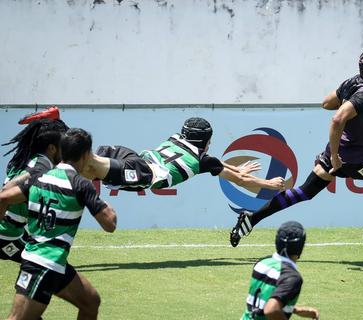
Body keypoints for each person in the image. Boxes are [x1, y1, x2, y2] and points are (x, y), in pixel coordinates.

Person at [230, 49, 363, 247]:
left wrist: (346, 102)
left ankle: (251, 218)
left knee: (306, 191)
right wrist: (335, 156)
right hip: (355, 160)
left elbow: (326, 103)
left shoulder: (352, 83)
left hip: (337, 154)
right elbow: (337, 118)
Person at [0, 128, 117, 320]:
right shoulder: (80, 184)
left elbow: (3, 197)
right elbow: (110, 224)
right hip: (41, 264)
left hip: (56, 264)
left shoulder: (39, 178)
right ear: (87, 155)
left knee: (90, 301)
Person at [80, 117, 285, 192]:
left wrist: (234, 167)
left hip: (135, 159)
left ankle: (60, 157)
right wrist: (269, 184)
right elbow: (240, 180)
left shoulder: (176, 138)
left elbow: (215, 163)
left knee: (95, 155)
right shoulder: (202, 160)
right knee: (89, 165)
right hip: (144, 175)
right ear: (206, 141)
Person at [0, 118, 69, 262]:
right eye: (63, 147)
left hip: (16, 231)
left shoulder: (30, 157)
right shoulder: (41, 167)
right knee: (53, 267)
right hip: (7, 237)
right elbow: (5, 192)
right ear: (52, 148)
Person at [241, 221, 319, 320]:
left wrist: (293, 309)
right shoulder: (292, 278)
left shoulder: (262, 263)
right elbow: (271, 309)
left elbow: (263, 298)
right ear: (301, 247)